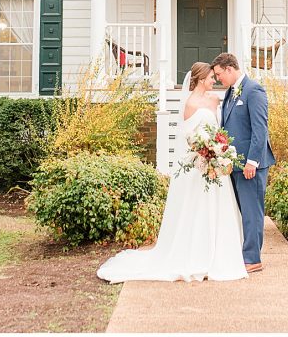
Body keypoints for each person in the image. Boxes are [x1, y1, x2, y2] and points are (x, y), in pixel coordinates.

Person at [96, 62, 248, 283]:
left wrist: (219, 151)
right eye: (210, 77)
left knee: (218, 208)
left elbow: (221, 128)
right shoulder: (189, 104)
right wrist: (204, 152)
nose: (214, 80)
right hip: (198, 165)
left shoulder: (216, 100)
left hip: (215, 165)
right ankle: (196, 254)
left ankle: (219, 253)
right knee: (196, 210)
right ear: (200, 78)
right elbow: (189, 137)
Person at [211, 52, 275, 273]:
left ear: (230, 69)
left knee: (252, 212)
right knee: (241, 211)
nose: (218, 79)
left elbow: (260, 129)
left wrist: (252, 162)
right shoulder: (229, 92)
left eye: (219, 74)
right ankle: (243, 253)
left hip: (250, 165)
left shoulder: (253, 90)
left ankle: (252, 258)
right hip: (233, 164)